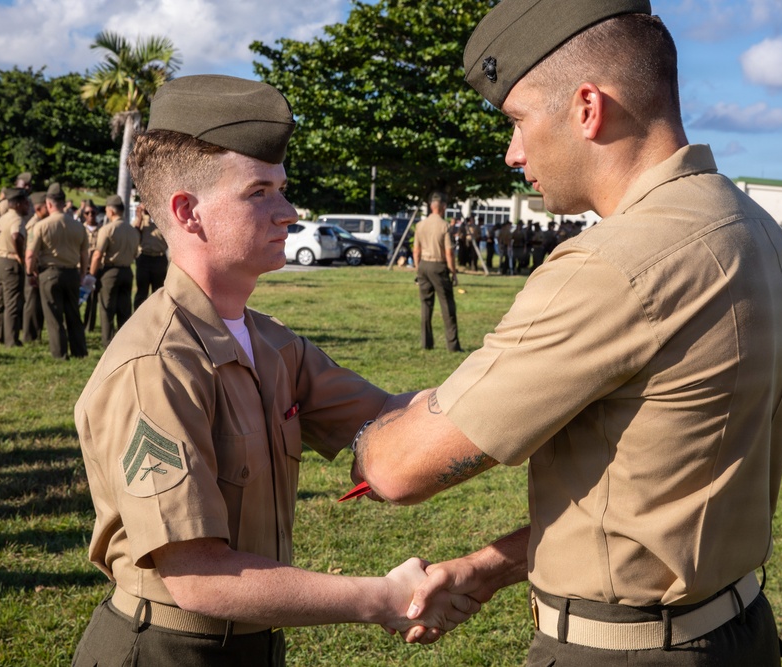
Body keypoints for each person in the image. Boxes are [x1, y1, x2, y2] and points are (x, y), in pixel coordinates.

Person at [354, 2, 782, 665]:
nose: (512, 152)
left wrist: (358, 427)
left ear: (587, 108)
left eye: (516, 120)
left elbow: (401, 469)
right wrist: (490, 564)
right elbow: (655, 499)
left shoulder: (618, 263)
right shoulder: (755, 229)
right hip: (735, 626)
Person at [70, 74, 477, 667]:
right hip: (168, 648)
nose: (288, 212)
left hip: (254, 642)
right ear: (188, 213)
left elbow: (396, 417)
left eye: (282, 190)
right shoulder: (156, 367)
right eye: (260, 191)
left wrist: (530, 382)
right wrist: (381, 597)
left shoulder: (271, 343)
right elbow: (198, 578)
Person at [25, 183, 89, 359]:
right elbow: (85, 254)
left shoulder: (42, 226)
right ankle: (80, 351)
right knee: (73, 315)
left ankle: (60, 353)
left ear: (49, 204)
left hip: (50, 274)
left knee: (54, 316)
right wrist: (83, 274)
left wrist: (30, 273)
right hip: (72, 273)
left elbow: (30, 254)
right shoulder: (79, 226)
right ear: (63, 203)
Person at [414, 192, 462, 352]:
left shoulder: (420, 225)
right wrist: (453, 272)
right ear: (443, 207)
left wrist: (417, 269)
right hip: (438, 266)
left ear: (430, 206)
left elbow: (416, 250)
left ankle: (426, 343)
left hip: (423, 265)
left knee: (426, 306)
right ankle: (452, 345)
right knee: (447, 306)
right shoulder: (444, 225)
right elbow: (449, 252)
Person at [88, 195, 138, 347]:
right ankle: (124, 342)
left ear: (110, 211)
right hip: (127, 272)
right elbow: (135, 253)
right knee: (124, 309)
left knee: (107, 309)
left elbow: (97, 255)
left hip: (110, 272)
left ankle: (108, 343)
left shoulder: (107, 229)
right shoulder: (133, 230)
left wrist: (91, 275)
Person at [0, 188, 30, 347]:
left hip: (0, 260)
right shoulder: (17, 220)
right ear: (18, 204)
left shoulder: (3, 218)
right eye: (26, 203)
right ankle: (11, 339)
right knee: (12, 302)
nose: (28, 206)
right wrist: (20, 257)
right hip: (12, 262)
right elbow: (16, 236)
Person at [22, 191, 49, 342]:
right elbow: (31, 251)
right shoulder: (34, 224)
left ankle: (36, 333)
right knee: (32, 303)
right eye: (46, 206)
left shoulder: (42, 223)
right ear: (39, 208)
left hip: (39, 267)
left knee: (37, 303)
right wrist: (31, 271)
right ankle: (29, 335)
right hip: (34, 268)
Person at [132, 204, 168, 309]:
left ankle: (157, 320)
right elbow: (134, 235)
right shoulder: (141, 221)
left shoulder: (162, 220)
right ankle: (138, 320)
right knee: (141, 292)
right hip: (144, 258)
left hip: (159, 258)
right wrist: (139, 218)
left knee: (158, 292)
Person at [81, 205, 102, 332]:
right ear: (84, 215)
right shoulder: (80, 229)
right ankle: (76, 324)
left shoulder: (102, 229)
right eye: (87, 213)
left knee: (93, 299)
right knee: (76, 297)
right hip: (81, 267)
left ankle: (89, 325)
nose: (90, 215)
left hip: (95, 267)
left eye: (93, 213)